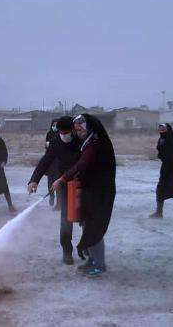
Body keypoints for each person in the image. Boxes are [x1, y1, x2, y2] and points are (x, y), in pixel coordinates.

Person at [51, 114, 116, 277]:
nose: (78, 132)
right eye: (76, 129)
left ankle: (99, 265)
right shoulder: (88, 141)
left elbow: (83, 164)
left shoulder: (96, 143)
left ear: (88, 127)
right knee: (88, 226)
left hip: (100, 191)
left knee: (94, 228)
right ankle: (92, 260)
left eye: (80, 129)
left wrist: (63, 178)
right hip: (90, 190)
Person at [28, 116, 82, 264]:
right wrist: (34, 180)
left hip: (83, 182)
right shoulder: (56, 142)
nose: (63, 135)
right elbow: (45, 161)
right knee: (66, 217)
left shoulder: (81, 140)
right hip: (64, 183)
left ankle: (86, 245)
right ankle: (67, 250)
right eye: (61, 132)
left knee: (85, 215)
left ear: (73, 130)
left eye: (66, 132)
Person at [149, 123, 173, 219]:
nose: (161, 130)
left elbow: (169, 156)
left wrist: (165, 163)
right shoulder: (161, 139)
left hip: (172, 168)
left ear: (168, 129)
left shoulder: (171, 139)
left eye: (163, 128)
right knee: (160, 190)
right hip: (165, 167)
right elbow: (161, 151)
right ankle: (159, 213)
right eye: (160, 129)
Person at [45, 119, 61, 208]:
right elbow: (46, 145)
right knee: (50, 182)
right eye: (53, 125)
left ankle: (59, 203)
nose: (54, 127)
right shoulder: (49, 134)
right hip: (50, 162)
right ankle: (51, 196)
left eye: (56, 125)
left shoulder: (60, 134)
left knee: (57, 182)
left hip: (58, 162)